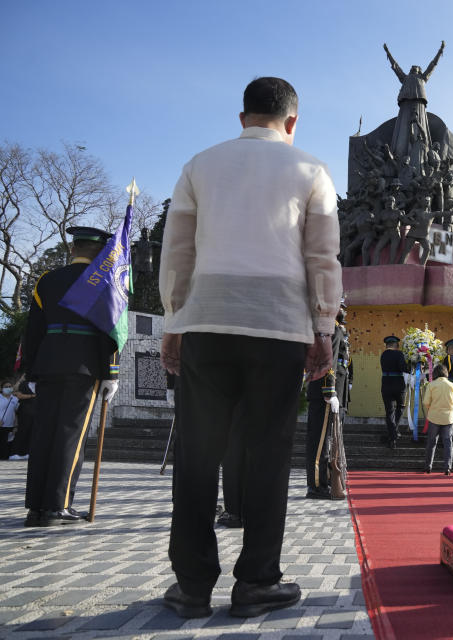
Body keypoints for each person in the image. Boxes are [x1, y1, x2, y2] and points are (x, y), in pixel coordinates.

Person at [158, 77, 341, 619]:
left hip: (209, 323)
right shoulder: (311, 170)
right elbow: (322, 256)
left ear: (242, 117)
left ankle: (191, 585)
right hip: (279, 327)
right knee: (267, 456)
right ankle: (258, 580)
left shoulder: (200, 164)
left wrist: (174, 319)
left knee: (197, 454)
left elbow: (178, 250)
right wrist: (324, 327)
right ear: (292, 122)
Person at [20, 226, 120, 527]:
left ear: (72, 249)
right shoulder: (104, 281)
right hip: (84, 365)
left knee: (44, 433)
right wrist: (110, 372)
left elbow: (33, 329)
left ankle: (36, 507)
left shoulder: (47, 280)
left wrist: (31, 370)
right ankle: (58, 506)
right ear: (101, 252)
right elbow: (110, 329)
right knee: (70, 435)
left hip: (48, 363)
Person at [306, 300, 351, 499]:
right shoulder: (331, 328)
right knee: (319, 441)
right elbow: (329, 360)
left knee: (322, 439)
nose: (343, 312)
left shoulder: (327, 327)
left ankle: (320, 482)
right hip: (324, 391)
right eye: (341, 307)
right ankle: (317, 485)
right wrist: (330, 390)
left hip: (322, 390)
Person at [422, 363, 453, 475]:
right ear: (446, 373)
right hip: (448, 419)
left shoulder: (431, 385)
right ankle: (447, 468)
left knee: (431, 443)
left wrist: (432, 409)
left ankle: (428, 466)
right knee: (448, 443)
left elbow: (426, 402)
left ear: (435, 373)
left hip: (434, 417)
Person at [380, 335, 407, 448]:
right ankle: (394, 432)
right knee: (400, 407)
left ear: (387, 345)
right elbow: (403, 368)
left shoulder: (383, 355)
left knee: (389, 411)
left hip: (386, 384)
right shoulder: (399, 354)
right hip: (399, 385)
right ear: (396, 345)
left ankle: (392, 435)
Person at [10, 376, 36, 459]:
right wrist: (32, 396)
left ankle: (26, 452)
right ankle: (14, 452)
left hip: (35, 412)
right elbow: (19, 395)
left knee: (31, 433)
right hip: (25, 412)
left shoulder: (40, 385)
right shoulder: (24, 384)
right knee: (22, 431)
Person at [0, 380, 19, 460]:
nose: (8, 388)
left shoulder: (15, 399)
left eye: (9, 386)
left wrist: (15, 426)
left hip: (10, 426)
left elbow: (17, 413)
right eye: (6, 387)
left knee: (6, 447)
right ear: (1, 389)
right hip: (1, 426)